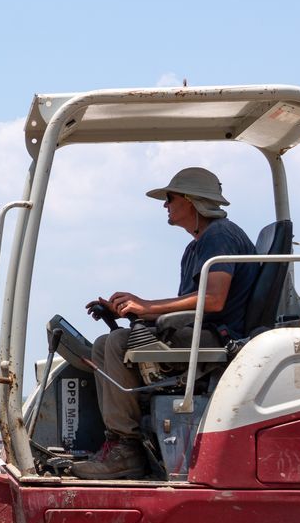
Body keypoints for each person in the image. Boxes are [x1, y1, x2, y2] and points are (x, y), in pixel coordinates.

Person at [74, 167, 259, 481]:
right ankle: (119, 443)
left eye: (170, 198)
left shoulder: (220, 236)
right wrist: (133, 311)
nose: (165, 205)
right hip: (199, 331)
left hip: (218, 337)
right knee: (107, 341)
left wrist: (146, 307)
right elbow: (188, 306)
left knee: (118, 344)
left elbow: (213, 301)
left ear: (190, 200)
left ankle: (127, 451)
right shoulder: (197, 246)